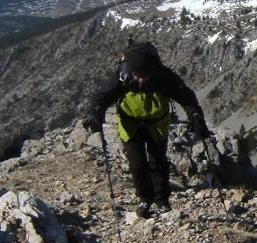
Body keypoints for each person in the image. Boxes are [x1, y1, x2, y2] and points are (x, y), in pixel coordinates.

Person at [84, 41, 208, 217]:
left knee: (158, 163)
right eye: (137, 76)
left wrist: (195, 115)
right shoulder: (123, 74)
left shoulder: (163, 76)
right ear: (131, 71)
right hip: (131, 124)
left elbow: (185, 96)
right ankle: (145, 199)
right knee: (137, 165)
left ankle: (162, 201)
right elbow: (104, 96)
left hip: (156, 124)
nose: (141, 80)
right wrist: (96, 112)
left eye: (145, 76)